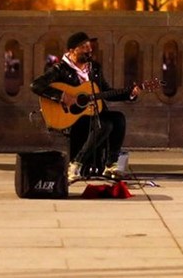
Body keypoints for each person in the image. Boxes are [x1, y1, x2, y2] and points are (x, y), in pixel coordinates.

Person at [30, 32, 139, 181]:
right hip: (71, 117)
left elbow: (105, 92)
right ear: (72, 50)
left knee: (118, 118)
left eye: (89, 46)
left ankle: (110, 165)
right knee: (104, 125)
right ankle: (76, 164)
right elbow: (36, 85)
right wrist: (62, 96)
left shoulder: (94, 68)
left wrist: (129, 94)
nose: (89, 49)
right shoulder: (60, 69)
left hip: (92, 113)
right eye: (83, 46)